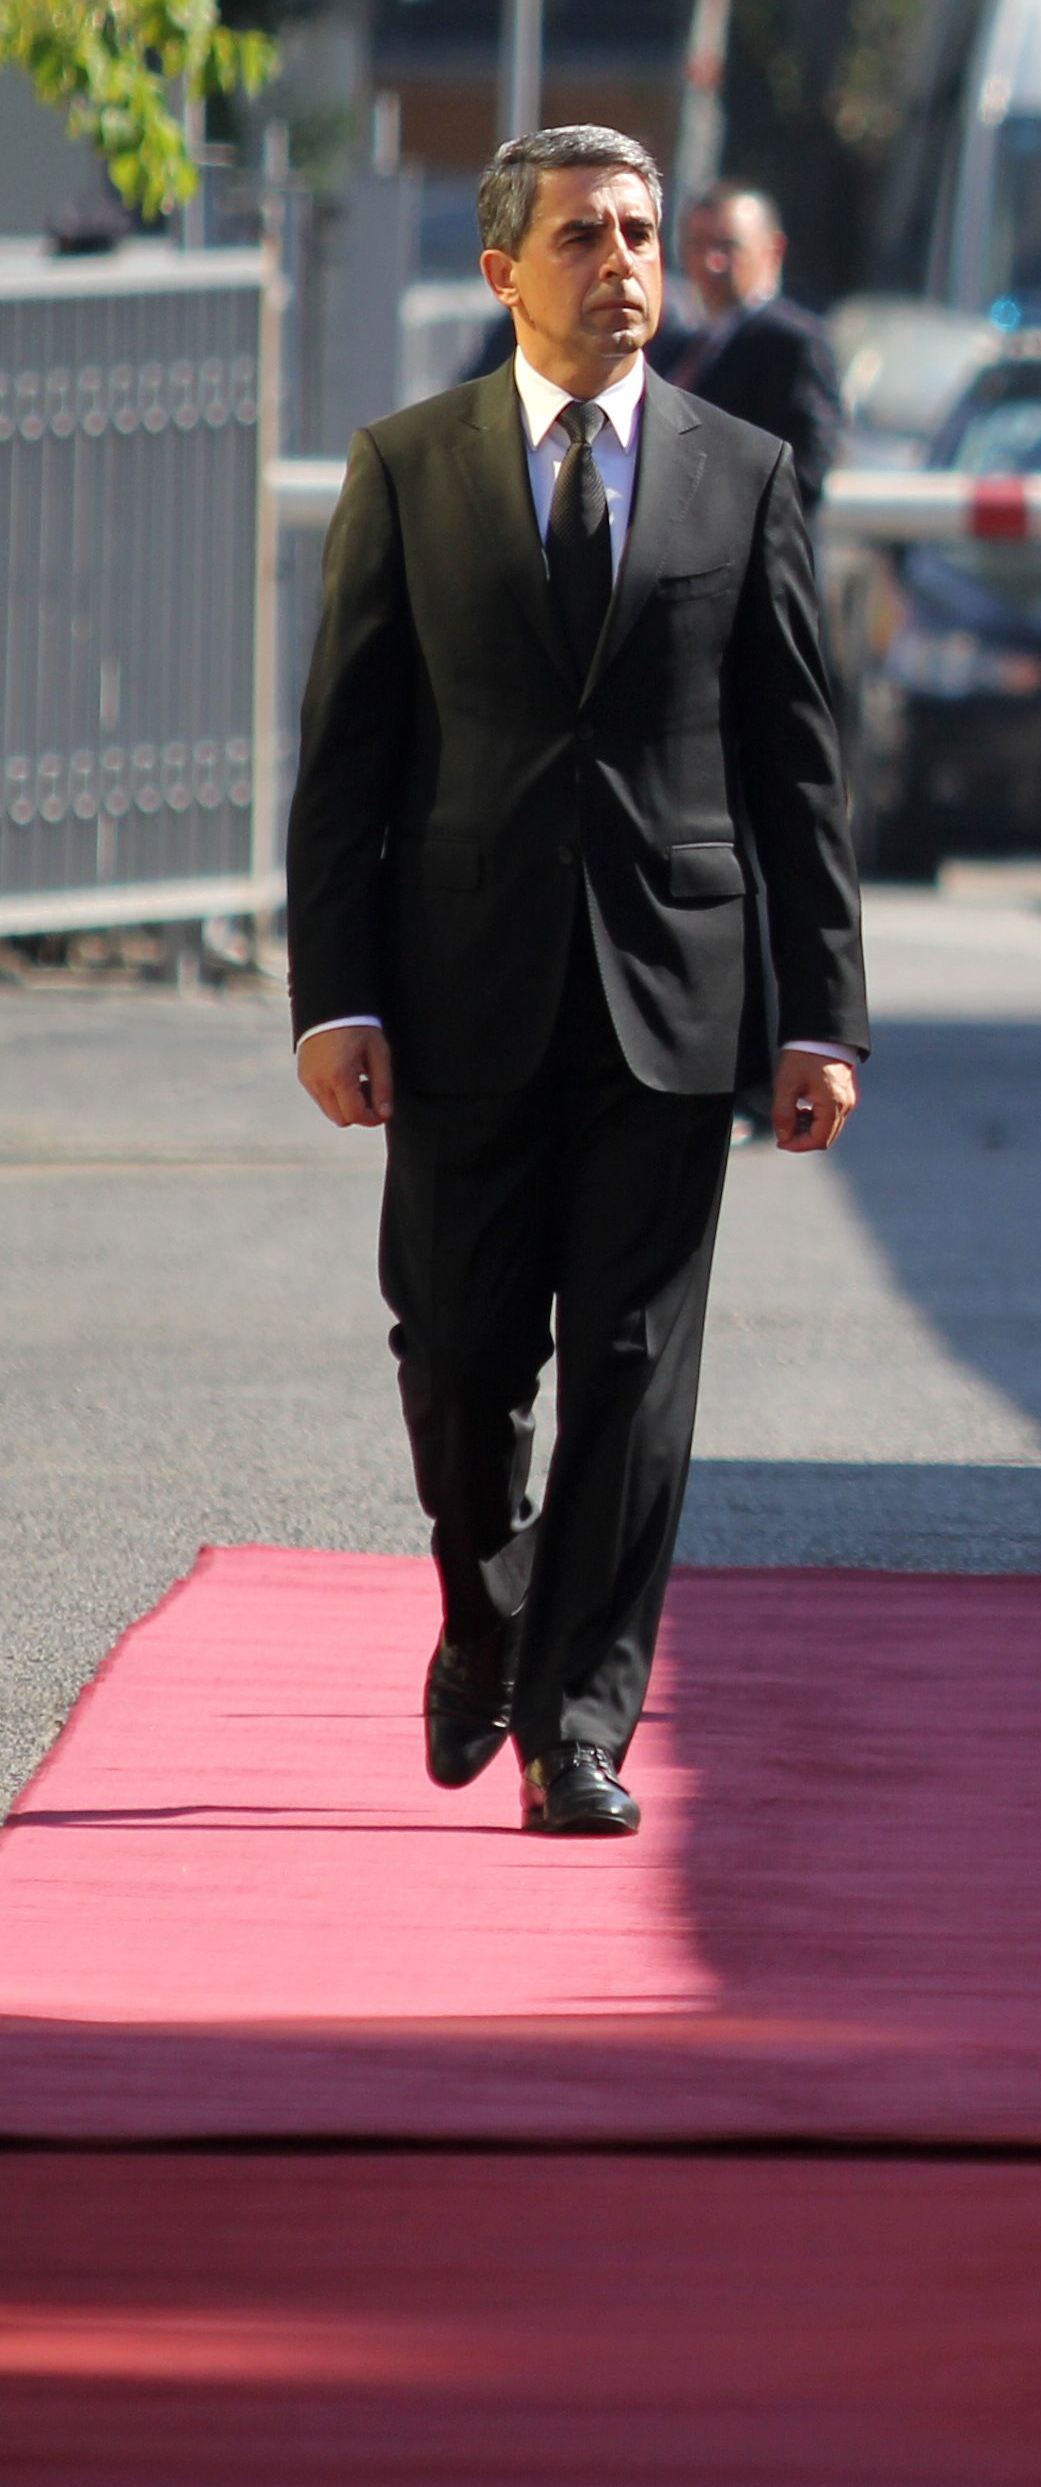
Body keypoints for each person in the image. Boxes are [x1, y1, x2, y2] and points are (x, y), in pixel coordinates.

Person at [284, 125, 869, 1837]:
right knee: (462, 1355)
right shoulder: (408, 465)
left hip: (673, 999)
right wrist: (338, 998)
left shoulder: (741, 471)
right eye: (583, 236)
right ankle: (485, 1615)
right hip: (457, 997)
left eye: (639, 231)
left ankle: (579, 1723)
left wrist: (819, 1013)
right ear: (502, 273)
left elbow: (800, 770)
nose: (622, 262)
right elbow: (347, 764)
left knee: (635, 1361)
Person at [651, 183, 847, 506]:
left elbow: (804, 474)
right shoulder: (677, 343)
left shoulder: (792, 343)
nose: (711, 262)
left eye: (728, 246)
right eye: (697, 244)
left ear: (773, 250)